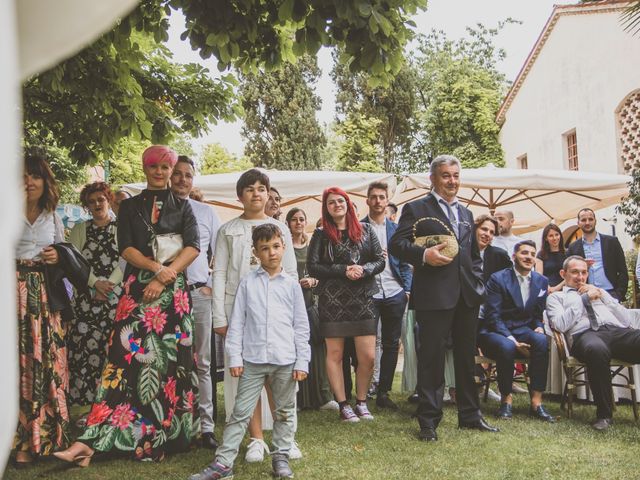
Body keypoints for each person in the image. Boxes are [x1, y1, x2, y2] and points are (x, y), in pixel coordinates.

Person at [54, 145, 200, 465]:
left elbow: (193, 248)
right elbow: (126, 248)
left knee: (167, 363)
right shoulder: (130, 206)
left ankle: (162, 435)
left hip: (172, 293)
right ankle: (95, 437)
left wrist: (165, 277)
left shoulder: (184, 207)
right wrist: (154, 270)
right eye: (154, 167)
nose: (160, 172)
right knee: (121, 360)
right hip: (136, 289)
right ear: (145, 168)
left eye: (166, 167)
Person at [389, 154, 498, 442]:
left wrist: (477, 284)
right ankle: (428, 420)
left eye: (456, 175)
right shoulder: (415, 208)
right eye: (446, 175)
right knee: (432, 360)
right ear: (433, 178)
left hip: (466, 297)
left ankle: (470, 415)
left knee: (466, 358)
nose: (452, 181)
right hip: (433, 296)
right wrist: (424, 255)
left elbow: (473, 255)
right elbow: (396, 245)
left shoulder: (467, 214)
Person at [189, 224, 310, 480]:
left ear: (283, 247)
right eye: (265, 249)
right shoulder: (247, 283)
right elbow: (238, 324)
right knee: (239, 413)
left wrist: (302, 361)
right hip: (253, 360)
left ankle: (281, 456)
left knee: (285, 412)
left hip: (285, 359)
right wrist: (234, 357)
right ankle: (223, 463)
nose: (271, 253)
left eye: (276, 247)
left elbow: (301, 325)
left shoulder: (291, 285)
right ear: (256, 252)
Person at [212, 168, 300, 463]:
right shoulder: (227, 230)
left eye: (261, 188)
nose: (256, 193)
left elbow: (290, 272)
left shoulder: (280, 229)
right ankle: (255, 439)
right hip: (238, 312)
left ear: (268, 194)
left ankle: (284, 440)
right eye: (249, 189)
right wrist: (220, 318)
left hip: (275, 314)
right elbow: (220, 273)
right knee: (244, 379)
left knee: (279, 376)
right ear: (240, 196)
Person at [15, 151, 77, 463]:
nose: (29, 181)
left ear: (44, 180)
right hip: (10, 293)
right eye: (24, 175)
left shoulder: (52, 216)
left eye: (35, 175)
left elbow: (64, 255)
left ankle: (41, 438)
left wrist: (56, 258)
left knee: (43, 363)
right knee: (15, 366)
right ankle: (18, 440)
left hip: (41, 295)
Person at [307, 187, 385, 422]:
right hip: (332, 302)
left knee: (368, 356)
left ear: (348, 203)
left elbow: (380, 260)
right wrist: (343, 270)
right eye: (331, 202)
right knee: (335, 354)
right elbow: (313, 266)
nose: (337, 205)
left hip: (362, 300)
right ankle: (343, 404)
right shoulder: (321, 234)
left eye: (340, 201)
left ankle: (361, 401)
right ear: (327, 208)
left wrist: (363, 269)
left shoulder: (366, 230)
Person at [547, 255, 640, 430]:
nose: (580, 277)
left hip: (615, 332)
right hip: (585, 336)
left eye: (583, 272)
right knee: (596, 349)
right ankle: (604, 415)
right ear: (563, 273)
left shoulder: (599, 292)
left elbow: (627, 320)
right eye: (575, 272)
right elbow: (560, 324)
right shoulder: (556, 298)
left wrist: (603, 295)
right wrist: (583, 300)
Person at [171, 155, 221, 449]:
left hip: (199, 293)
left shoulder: (206, 212)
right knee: (173, 361)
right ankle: (176, 425)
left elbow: (219, 252)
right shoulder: (158, 210)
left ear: (193, 179)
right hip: (168, 296)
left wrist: (211, 286)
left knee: (203, 362)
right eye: (177, 174)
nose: (182, 179)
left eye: (188, 175)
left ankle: (206, 427)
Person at [478, 240, 554, 422]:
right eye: (524, 253)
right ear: (514, 257)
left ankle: (536, 403)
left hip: (523, 328)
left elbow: (537, 313)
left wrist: (539, 326)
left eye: (532, 254)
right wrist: (511, 339)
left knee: (542, 340)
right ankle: (506, 400)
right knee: (506, 346)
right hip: (494, 331)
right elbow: (492, 316)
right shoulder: (498, 278)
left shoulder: (541, 281)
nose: (528, 257)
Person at [67, 182, 123, 407]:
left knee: (112, 351)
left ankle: (110, 405)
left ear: (108, 200)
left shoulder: (121, 228)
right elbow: (73, 261)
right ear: (86, 206)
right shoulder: (80, 229)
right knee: (83, 353)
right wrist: (94, 284)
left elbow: (126, 259)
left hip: (114, 299)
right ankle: (85, 406)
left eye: (101, 199)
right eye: (91, 201)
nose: (97, 204)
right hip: (86, 300)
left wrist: (108, 285)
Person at [361, 181, 412, 410]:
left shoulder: (396, 229)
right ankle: (364, 391)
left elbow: (407, 263)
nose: (378, 201)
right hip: (368, 293)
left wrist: (407, 289)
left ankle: (384, 393)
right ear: (368, 200)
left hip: (394, 291)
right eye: (374, 197)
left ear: (387, 200)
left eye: (382, 197)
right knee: (366, 346)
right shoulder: (358, 228)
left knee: (392, 344)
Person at [286, 207, 337, 411]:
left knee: (318, 347)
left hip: (313, 300)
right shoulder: (284, 247)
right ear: (288, 222)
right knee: (294, 347)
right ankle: (298, 399)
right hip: (291, 300)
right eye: (294, 219)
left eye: (302, 219)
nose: (298, 223)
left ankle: (323, 396)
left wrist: (314, 280)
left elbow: (323, 271)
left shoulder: (313, 245)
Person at [566, 208, 628, 301]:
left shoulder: (612, 242)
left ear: (595, 221)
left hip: (611, 294)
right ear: (578, 223)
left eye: (590, 219)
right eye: (583, 220)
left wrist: (619, 294)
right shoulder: (573, 247)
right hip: (586, 294)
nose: (587, 222)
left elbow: (623, 271)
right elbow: (569, 274)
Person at [535, 223, 566, 293]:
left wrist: (556, 288)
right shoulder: (541, 255)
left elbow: (569, 275)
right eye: (551, 236)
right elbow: (539, 275)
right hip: (546, 290)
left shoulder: (567, 253)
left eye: (557, 234)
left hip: (564, 290)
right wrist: (548, 287)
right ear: (546, 238)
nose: (555, 238)